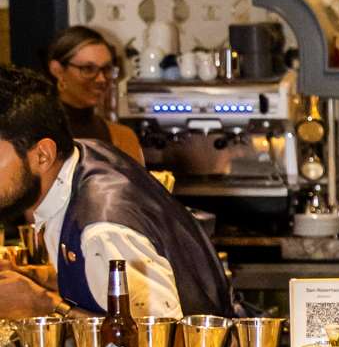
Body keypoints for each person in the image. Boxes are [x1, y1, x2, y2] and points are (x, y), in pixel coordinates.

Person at [0, 68, 236, 322]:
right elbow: (99, 284)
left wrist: (43, 305)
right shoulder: (81, 156)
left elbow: (163, 345)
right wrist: (39, 280)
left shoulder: (103, 229)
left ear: (43, 155)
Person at [44, 25, 146, 166]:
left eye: (106, 69)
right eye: (88, 69)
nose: (101, 79)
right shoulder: (36, 135)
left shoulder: (123, 137)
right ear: (58, 70)